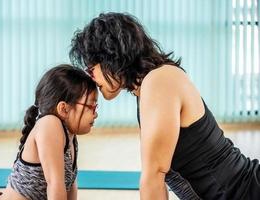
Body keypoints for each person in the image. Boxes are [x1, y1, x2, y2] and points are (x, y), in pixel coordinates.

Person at [69, 12, 260, 200]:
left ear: (110, 58)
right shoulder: (149, 86)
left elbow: (153, 177)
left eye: (91, 70)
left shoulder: (159, 81)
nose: (91, 79)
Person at [0, 64, 98, 200]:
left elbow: (69, 186)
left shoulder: (70, 136)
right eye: (91, 106)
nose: (95, 114)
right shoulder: (50, 124)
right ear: (64, 109)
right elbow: (55, 185)